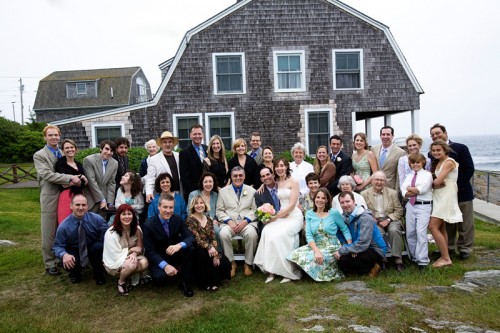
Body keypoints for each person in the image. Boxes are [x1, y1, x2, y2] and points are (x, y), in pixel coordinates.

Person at [34, 125, 83, 276]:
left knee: (63, 228)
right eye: (50, 135)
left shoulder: (62, 152)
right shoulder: (40, 155)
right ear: (45, 137)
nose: (54, 137)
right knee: (49, 231)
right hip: (50, 196)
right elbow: (47, 175)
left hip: (65, 196)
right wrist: (71, 178)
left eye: (56, 135)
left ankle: (63, 257)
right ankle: (50, 263)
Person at [254, 158, 304, 283]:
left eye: (282, 165)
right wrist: (262, 185)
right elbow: (267, 181)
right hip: (282, 215)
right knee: (267, 231)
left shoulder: (294, 182)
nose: (279, 168)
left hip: (294, 216)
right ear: (274, 169)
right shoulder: (277, 181)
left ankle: (287, 270)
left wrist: (275, 217)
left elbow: (292, 205)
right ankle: (271, 269)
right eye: (277, 166)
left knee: (281, 234)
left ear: (286, 167)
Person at [430, 123, 475, 260]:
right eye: (432, 135)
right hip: (443, 193)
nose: (436, 136)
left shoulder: (460, 148)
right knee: (447, 222)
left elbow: (469, 169)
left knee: (465, 222)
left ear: (445, 133)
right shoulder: (432, 153)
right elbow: (433, 172)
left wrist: (456, 187)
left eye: (438, 133)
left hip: (461, 192)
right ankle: (448, 248)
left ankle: (465, 248)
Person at [288, 188, 352, 281]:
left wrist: (349, 246)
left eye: (323, 198)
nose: (320, 200)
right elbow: (309, 235)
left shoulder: (333, 213)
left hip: (331, 245)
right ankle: (310, 272)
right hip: (316, 244)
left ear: (327, 200)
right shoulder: (309, 214)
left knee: (311, 259)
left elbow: (344, 229)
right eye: (318, 197)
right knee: (293, 255)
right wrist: (316, 251)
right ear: (314, 199)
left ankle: (317, 273)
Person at [142, 194, 195, 297]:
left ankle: (185, 282)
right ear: (159, 207)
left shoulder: (177, 219)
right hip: (160, 257)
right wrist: (165, 266)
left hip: (175, 253)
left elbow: (190, 238)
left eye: (171, 207)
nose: (168, 210)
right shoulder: (148, 225)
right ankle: (173, 270)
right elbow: (150, 251)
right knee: (160, 280)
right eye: (165, 207)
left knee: (190, 248)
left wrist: (179, 245)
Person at [53, 194, 108, 284]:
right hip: (75, 250)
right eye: (77, 205)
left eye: (83, 205)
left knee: (99, 247)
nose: (81, 208)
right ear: (71, 206)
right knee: (68, 260)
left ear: (87, 206)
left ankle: (98, 272)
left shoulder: (97, 219)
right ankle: (75, 273)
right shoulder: (64, 226)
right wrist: (64, 255)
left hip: (92, 248)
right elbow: (57, 246)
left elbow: (107, 234)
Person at [216, 166, 258, 277]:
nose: (238, 178)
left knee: (252, 234)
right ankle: (231, 263)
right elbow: (219, 211)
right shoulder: (223, 192)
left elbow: (255, 209)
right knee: (223, 234)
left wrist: (245, 221)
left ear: (244, 176)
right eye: (235, 176)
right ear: (231, 177)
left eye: (240, 175)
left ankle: (248, 263)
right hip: (230, 223)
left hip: (247, 222)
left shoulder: (252, 191)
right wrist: (229, 221)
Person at [334, 192, 387, 277]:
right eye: (342, 202)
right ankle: (364, 270)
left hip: (373, 249)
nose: (345, 205)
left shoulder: (365, 217)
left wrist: (344, 250)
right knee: (340, 260)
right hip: (356, 246)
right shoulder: (344, 217)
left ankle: (376, 266)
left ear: (354, 201)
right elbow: (339, 233)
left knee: (344, 259)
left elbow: (363, 243)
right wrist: (348, 246)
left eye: (348, 201)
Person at [185, 195, 231, 291]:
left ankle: (216, 278)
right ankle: (206, 283)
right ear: (193, 206)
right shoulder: (190, 220)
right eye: (196, 203)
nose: (199, 205)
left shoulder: (209, 219)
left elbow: (213, 237)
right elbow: (196, 239)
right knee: (204, 255)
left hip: (210, 248)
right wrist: (209, 247)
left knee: (224, 262)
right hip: (197, 249)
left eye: (201, 203)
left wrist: (215, 255)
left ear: (205, 205)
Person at [429, 140, 462, 268]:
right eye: (434, 150)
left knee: (432, 226)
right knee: (441, 228)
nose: (436, 152)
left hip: (446, 196)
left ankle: (446, 258)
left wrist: (428, 185)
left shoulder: (449, 162)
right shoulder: (438, 162)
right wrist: (435, 183)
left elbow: (437, 182)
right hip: (438, 195)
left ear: (445, 150)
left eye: (438, 150)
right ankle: (445, 255)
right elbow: (436, 182)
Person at [362, 171, 405, 271]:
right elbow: (363, 211)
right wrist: (375, 221)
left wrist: (389, 220)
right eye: (377, 180)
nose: (379, 182)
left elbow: (399, 210)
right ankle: (382, 259)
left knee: (394, 230)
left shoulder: (392, 193)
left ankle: (398, 259)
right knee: (377, 232)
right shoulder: (364, 194)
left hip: (391, 218)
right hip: (374, 220)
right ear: (372, 181)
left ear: (385, 182)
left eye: (382, 180)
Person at [103, 204, 149, 296]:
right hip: (114, 262)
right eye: (123, 214)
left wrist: (134, 254)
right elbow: (115, 255)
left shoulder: (137, 229)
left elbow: (140, 247)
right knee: (131, 264)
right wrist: (131, 250)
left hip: (131, 257)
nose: (127, 217)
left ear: (133, 215)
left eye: (129, 214)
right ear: (118, 216)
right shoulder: (111, 233)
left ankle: (128, 276)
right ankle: (121, 282)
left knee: (144, 262)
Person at [401, 153, 433, 269]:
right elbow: (403, 192)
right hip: (411, 205)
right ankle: (414, 256)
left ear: (423, 163)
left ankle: (423, 260)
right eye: (413, 162)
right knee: (410, 232)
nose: (415, 164)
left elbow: (422, 189)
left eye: (418, 162)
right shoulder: (409, 176)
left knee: (421, 232)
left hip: (423, 206)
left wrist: (410, 189)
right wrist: (411, 190)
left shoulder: (427, 175)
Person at [186, 172, 222, 252]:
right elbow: (189, 212)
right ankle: (208, 251)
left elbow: (217, 211)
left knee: (218, 231)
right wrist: (206, 220)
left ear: (213, 183)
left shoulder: (215, 195)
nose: (208, 184)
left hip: (212, 222)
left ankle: (218, 253)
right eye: (205, 182)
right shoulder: (193, 194)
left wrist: (216, 220)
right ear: (202, 183)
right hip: (196, 222)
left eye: (210, 181)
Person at [55, 139, 88, 224]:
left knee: (80, 221)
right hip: (66, 195)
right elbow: (63, 184)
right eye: (66, 148)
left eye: (72, 147)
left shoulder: (79, 164)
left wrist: (73, 180)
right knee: (65, 221)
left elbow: (84, 183)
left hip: (79, 195)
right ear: (63, 151)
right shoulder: (60, 163)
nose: (69, 149)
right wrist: (80, 177)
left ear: (76, 149)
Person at [146, 131, 182, 203]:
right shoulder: (154, 159)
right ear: (161, 144)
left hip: (179, 193)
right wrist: (149, 192)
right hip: (163, 195)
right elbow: (150, 178)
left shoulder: (179, 156)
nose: (167, 144)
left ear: (173, 144)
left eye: (170, 142)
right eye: (165, 142)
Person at [83, 140, 118, 213]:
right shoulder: (89, 160)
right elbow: (91, 181)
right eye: (107, 149)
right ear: (101, 149)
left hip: (105, 204)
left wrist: (110, 203)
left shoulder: (114, 163)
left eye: (111, 151)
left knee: (101, 223)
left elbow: (111, 183)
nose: (108, 152)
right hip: (91, 199)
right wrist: (102, 199)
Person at [370, 126, 406, 191]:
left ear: (392, 136)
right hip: (374, 187)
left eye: (388, 134)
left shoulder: (401, 152)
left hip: (390, 188)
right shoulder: (373, 149)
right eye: (383, 134)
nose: (385, 137)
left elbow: (399, 175)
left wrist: (397, 191)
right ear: (380, 136)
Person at [180, 124, 208, 201]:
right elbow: (185, 177)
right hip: (194, 193)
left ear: (203, 135)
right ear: (190, 135)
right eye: (195, 134)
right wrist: (193, 194)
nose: (197, 136)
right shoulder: (184, 153)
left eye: (199, 134)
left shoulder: (208, 149)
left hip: (209, 190)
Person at [254, 166, 280, 235]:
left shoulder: (282, 187)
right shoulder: (258, 194)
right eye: (263, 176)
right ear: (261, 179)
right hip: (269, 222)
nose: (266, 177)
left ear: (273, 175)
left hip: (285, 217)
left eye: (268, 174)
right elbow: (260, 215)